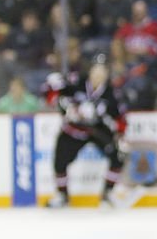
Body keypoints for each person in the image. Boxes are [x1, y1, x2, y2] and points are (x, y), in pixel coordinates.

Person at [43, 54, 128, 208]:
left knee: (118, 158)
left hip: (97, 129)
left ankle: (107, 194)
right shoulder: (76, 81)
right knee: (60, 162)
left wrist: (121, 136)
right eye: (96, 71)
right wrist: (61, 101)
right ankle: (62, 195)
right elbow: (52, 95)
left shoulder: (111, 92)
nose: (98, 75)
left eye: (102, 72)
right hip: (73, 129)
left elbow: (120, 116)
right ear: (90, 71)